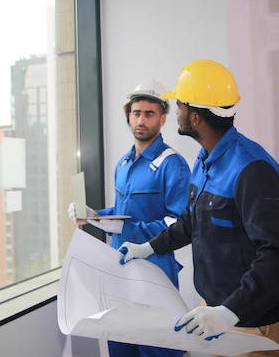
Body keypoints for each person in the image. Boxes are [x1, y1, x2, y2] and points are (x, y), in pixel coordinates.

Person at [119, 60, 279, 357]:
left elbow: (278, 256)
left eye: (179, 106)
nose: (175, 111)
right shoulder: (205, 160)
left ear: (196, 117)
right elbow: (192, 222)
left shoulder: (251, 170)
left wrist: (230, 311)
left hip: (251, 320)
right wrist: (148, 247)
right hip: (217, 310)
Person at [69, 80, 191, 357]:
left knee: (158, 350)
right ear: (128, 116)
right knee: (121, 347)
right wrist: (95, 215)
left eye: (149, 113)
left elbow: (179, 224)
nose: (141, 119)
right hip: (118, 271)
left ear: (162, 120)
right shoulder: (123, 164)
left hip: (154, 273)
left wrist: (129, 229)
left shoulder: (173, 164)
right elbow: (124, 210)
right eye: (136, 112)